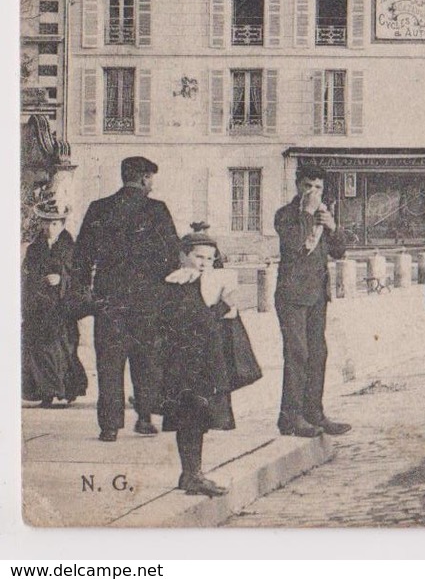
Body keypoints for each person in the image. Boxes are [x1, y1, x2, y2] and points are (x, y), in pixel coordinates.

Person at [72, 155, 181, 442]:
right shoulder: (157, 210)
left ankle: (109, 426)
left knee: (109, 363)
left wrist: (87, 293)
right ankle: (144, 418)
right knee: (146, 361)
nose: (152, 185)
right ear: (144, 178)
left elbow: (81, 258)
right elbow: (173, 257)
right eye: (151, 179)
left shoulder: (99, 209)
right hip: (147, 303)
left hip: (108, 302)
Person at [154, 224, 253, 497]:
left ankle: (192, 473)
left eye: (210, 259)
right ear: (183, 255)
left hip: (203, 362)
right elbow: (193, 321)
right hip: (185, 364)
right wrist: (223, 306)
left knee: (198, 418)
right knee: (190, 416)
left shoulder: (203, 281)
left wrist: (227, 305)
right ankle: (191, 474)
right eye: (199, 257)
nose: (205, 263)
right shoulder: (178, 282)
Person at [272, 166, 351, 439]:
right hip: (292, 294)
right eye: (308, 186)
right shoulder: (285, 215)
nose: (313, 192)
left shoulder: (324, 216)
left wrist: (333, 227)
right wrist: (306, 213)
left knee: (318, 353)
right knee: (297, 353)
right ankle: (290, 416)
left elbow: (340, 251)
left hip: (317, 295)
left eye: (318, 188)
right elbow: (294, 245)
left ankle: (314, 413)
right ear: (297, 185)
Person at [23, 206, 88, 408]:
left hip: (61, 307)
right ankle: (46, 392)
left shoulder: (72, 247)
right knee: (40, 349)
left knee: (63, 348)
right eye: (46, 223)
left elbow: (80, 276)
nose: (49, 228)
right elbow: (27, 275)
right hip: (40, 306)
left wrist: (62, 279)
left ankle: (65, 390)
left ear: (61, 224)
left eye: (54, 223)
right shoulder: (35, 248)